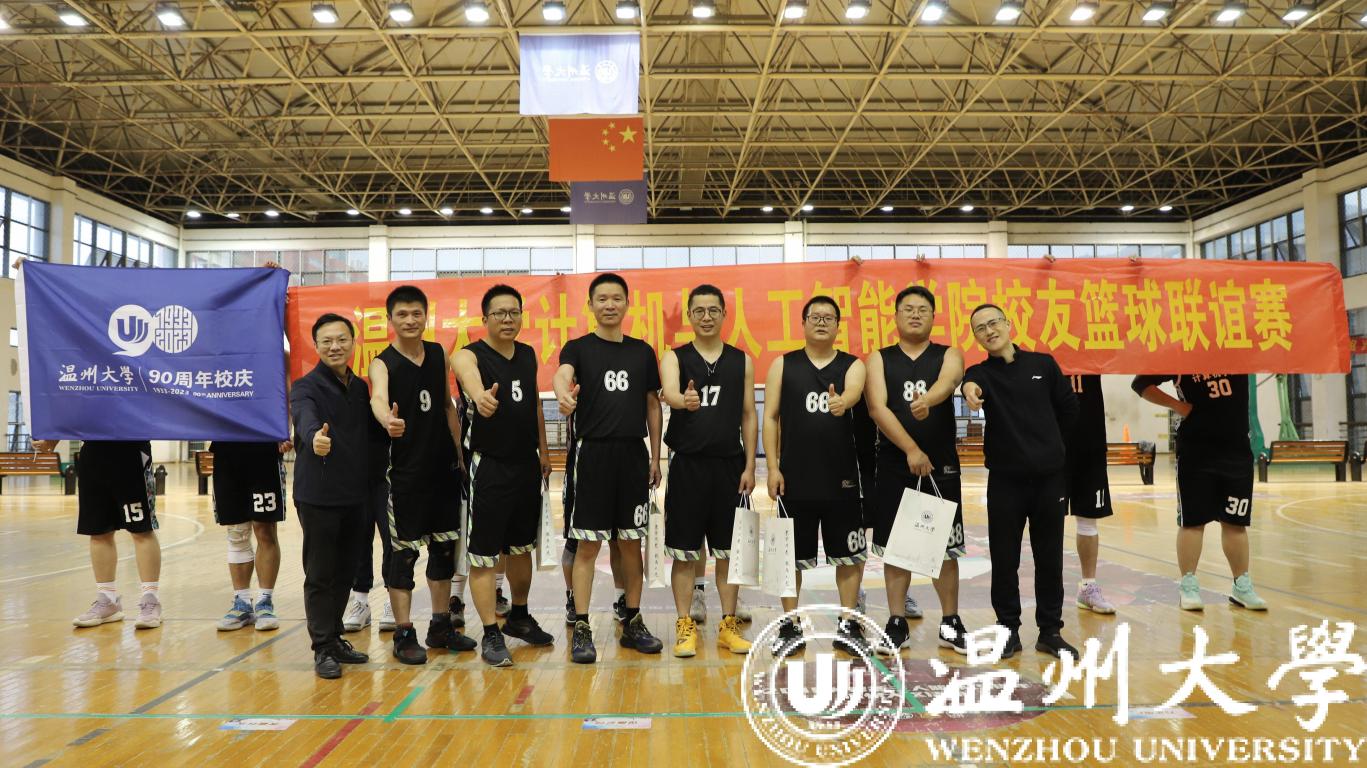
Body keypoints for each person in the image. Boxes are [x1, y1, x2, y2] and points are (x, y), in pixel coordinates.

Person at [553, 272, 666, 664]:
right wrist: (563, 394)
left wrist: (655, 457)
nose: (610, 305)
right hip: (592, 456)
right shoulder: (578, 348)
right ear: (590, 305)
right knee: (588, 544)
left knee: (631, 544)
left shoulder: (642, 352)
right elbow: (562, 375)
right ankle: (582, 626)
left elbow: (652, 405)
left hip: (632, 455)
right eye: (602, 299)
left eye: (617, 298)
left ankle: (633, 620)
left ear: (627, 303)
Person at [961, 303, 1079, 661]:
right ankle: (1008, 630)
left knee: (1050, 558)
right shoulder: (980, 372)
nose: (989, 331)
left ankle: (1050, 631)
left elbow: (1069, 410)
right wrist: (969, 390)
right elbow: (971, 385)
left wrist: (1053, 451)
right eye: (980, 328)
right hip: (1005, 482)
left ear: (1008, 324)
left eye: (994, 323)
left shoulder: (1043, 364)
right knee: (1004, 558)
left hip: (1049, 481)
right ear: (976, 337)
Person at [369, 285, 476, 665]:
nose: (410, 320)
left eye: (417, 313)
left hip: (443, 472)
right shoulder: (382, 363)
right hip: (405, 476)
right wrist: (388, 419)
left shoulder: (437, 354)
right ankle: (403, 632)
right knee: (403, 555)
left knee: (444, 551)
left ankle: (440, 626)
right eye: (402, 314)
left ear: (426, 316)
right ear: (390, 319)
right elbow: (377, 398)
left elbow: (447, 405)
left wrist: (459, 454)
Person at [452, 284, 556, 667]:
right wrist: (480, 396)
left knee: (520, 549)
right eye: (500, 313)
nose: (508, 319)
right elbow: (465, 373)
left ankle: (520, 617)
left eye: (514, 312)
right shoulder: (469, 354)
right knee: (484, 556)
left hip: (526, 465)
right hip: (489, 466)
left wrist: (544, 451)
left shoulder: (527, 354)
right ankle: (490, 634)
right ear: (485, 318)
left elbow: (534, 406)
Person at [864, 285, 969, 655]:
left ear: (933, 317)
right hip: (895, 464)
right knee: (896, 548)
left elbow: (950, 380)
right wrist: (910, 449)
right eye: (907, 308)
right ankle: (897, 623)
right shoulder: (879, 358)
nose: (915, 314)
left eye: (923, 309)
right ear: (895, 316)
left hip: (941, 465)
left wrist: (929, 400)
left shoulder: (948, 353)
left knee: (946, 548)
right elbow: (877, 408)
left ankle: (951, 622)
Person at [763, 295, 869, 658]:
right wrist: (772, 467)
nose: (821, 322)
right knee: (790, 558)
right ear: (803, 323)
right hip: (794, 480)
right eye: (815, 317)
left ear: (838, 326)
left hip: (842, 479)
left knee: (849, 556)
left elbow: (854, 390)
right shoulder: (783, 364)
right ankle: (789, 625)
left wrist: (844, 401)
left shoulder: (853, 365)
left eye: (828, 317)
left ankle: (848, 623)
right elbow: (770, 417)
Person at [660, 284, 755, 658]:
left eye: (713, 310)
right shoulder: (675, 357)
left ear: (724, 314)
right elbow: (669, 391)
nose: (706, 316)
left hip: (730, 466)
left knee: (729, 552)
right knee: (684, 552)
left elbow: (748, 414)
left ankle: (728, 625)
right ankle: (685, 624)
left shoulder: (741, 360)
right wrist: (681, 400)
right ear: (689, 315)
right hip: (688, 464)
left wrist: (751, 465)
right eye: (698, 310)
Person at [1131, 373, 1267, 611]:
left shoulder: (1240, 354)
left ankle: (1241, 585)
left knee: (1236, 522)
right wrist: (1177, 405)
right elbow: (1140, 384)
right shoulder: (1182, 355)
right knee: (1192, 522)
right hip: (1195, 452)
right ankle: (1189, 585)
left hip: (1236, 450)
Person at [290, 313, 373, 679]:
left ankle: (335, 637)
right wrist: (314, 438)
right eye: (327, 341)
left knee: (345, 571)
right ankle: (322, 646)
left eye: (342, 339)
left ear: (353, 343)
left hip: (355, 494)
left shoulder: (360, 387)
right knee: (320, 573)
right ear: (317, 345)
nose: (335, 346)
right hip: (319, 495)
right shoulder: (305, 387)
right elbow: (305, 418)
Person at [212, 440, 289, 632]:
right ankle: (242, 602)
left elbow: (285, 416)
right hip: (226, 451)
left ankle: (265, 602)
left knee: (265, 529)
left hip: (264, 451)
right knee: (236, 532)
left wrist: (284, 431)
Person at [1064, 373, 1117, 614]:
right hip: (1050, 442)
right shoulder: (1040, 354)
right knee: (1048, 520)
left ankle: (1088, 586)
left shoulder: (1093, 352)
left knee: (1088, 520)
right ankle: (1049, 590)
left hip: (1090, 441)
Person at [342, 416, 395, 633]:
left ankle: (394, 600)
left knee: (392, 536)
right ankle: (360, 601)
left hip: (390, 468)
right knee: (358, 535)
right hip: (356, 465)